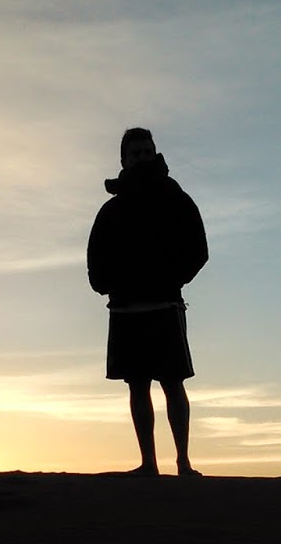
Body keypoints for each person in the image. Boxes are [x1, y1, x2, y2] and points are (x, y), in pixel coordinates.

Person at [87, 128, 209, 477]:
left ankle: (183, 462)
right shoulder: (111, 210)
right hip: (125, 308)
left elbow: (198, 249)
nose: (141, 158)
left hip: (165, 306)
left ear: (154, 154)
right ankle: (148, 464)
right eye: (135, 153)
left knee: (173, 382)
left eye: (146, 152)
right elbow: (96, 253)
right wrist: (104, 285)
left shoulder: (176, 199)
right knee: (137, 385)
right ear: (124, 160)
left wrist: (173, 278)